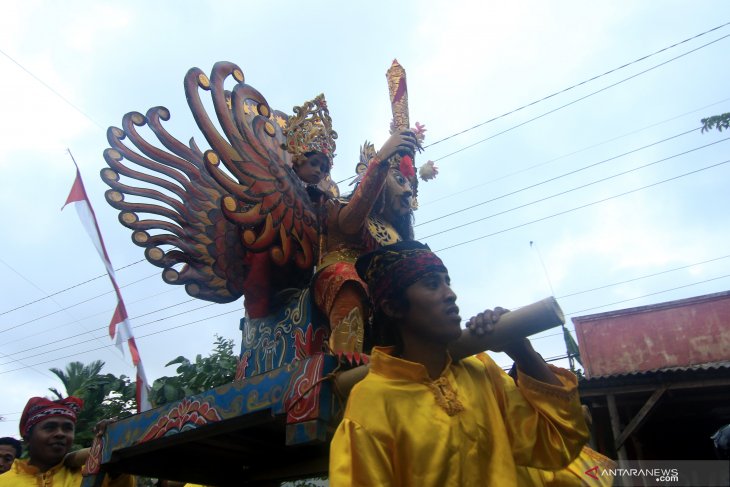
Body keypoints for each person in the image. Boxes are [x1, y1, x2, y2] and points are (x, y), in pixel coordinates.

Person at [329, 241, 589, 486]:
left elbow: (560, 444)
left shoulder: (482, 372)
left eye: (447, 282)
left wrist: (522, 351)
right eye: (432, 284)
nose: (451, 294)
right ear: (393, 308)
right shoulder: (372, 403)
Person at [0, 396, 134, 486]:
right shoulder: (4, 481)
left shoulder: (92, 473)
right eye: (50, 427)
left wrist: (114, 439)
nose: (60, 434)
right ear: (28, 438)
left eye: (67, 428)